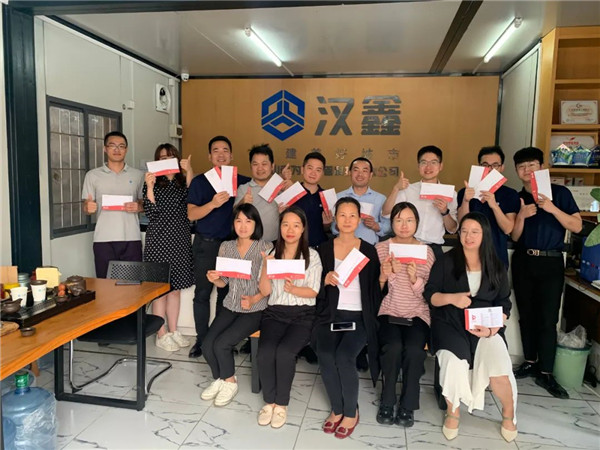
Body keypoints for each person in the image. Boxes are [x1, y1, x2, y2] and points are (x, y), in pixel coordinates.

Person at [424, 212, 518, 443]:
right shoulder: (446, 261)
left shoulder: (495, 264)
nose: (468, 236)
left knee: (499, 369)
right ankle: (453, 411)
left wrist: (492, 330)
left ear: (484, 234)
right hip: (450, 323)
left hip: (486, 326)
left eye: (475, 232)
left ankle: (509, 413)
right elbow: (430, 295)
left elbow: (504, 303)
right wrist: (452, 298)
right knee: (454, 363)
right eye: (464, 231)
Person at [510, 147, 582, 399]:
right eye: (522, 167)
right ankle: (530, 361)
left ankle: (547, 372)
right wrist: (521, 215)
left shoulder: (560, 194)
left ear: (542, 167)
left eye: (531, 165)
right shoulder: (517, 198)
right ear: (517, 171)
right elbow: (515, 236)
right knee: (526, 315)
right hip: (523, 260)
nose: (527, 170)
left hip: (551, 262)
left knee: (548, 318)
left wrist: (552, 209)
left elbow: (577, 225)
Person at [316, 197, 382, 439]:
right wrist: (323, 280)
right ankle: (337, 409)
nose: (347, 220)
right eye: (342, 215)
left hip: (359, 316)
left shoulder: (368, 250)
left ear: (359, 219)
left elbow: (376, 290)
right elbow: (313, 285)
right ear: (335, 218)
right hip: (331, 314)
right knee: (325, 355)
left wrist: (384, 278)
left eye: (352, 215)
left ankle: (351, 412)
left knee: (344, 357)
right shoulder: (324, 249)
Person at [256, 206, 322, 428]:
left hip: (302, 315)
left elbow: (313, 291)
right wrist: (266, 266)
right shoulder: (272, 254)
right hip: (275, 313)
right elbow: (265, 291)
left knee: (285, 353)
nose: (290, 230)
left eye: (296, 225)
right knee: (265, 352)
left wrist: (293, 289)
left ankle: (281, 404)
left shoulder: (312, 256)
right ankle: (269, 402)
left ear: (303, 229)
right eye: (285, 225)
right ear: (280, 228)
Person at [201, 203, 272, 406]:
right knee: (207, 345)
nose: (243, 226)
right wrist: (214, 278)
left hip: (255, 308)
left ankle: (230, 382)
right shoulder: (226, 247)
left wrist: (254, 298)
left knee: (222, 344)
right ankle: (221, 379)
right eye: (238, 220)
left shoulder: (266, 248)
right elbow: (223, 282)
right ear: (233, 224)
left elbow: (270, 287)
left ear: (256, 224)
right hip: (231, 304)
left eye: (248, 221)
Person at [187, 136, 251, 358]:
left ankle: (222, 340)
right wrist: (213, 204)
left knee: (227, 295)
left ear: (231, 155)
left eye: (225, 150)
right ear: (209, 156)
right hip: (206, 245)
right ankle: (202, 340)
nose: (221, 154)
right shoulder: (200, 182)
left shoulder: (242, 181)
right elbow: (191, 214)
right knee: (202, 294)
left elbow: (263, 186)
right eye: (216, 150)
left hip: (232, 248)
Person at [375, 202, 434, 427]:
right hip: (389, 309)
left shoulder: (426, 252)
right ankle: (387, 400)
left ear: (417, 223)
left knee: (414, 350)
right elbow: (373, 291)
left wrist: (414, 279)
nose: (404, 225)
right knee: (392, 348)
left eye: (409, 220)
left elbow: (431, 291)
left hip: (417, 312)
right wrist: (384, 276)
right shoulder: (381, 249)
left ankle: (408, 405)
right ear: (391, 223)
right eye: (399, 220)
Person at [143, 143, 194, 352]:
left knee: (175, 290)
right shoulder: (152, 181)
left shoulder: (182, 182)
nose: (166, 161)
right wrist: (150, 187)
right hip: (158, 240)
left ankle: (173, 330)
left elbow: (193, 203)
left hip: (180, 240)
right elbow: (150, 212)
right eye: (162, 158)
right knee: (160, 290)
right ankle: (161, 333)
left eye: (170, 157)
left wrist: (189, 172)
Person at [82, 131, 144, 278]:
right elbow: (86, 206)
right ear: (105, 149)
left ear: (126, 150)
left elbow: (144, 203)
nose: (117, 149)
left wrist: (139, 206)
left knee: (132, 285)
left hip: (131, 238)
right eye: (112, 146)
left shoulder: (138, 175)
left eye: (121, 146)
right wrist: (88, 207)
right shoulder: (92, 175)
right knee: (105, 284)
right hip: (103, 239)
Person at [382, 145, 458, 260]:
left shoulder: (450, 194)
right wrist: (396, 189)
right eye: (424, 162)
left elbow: (452, 229)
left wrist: (444, 212)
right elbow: (386, 213)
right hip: (408, 245)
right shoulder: (408, 189)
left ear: (441, 166)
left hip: (434, 247)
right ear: (418, 166)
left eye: (433, 162)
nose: (428, 167)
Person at [457, 146, 520, 267]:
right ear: (479, 166)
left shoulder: (510, 194)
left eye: (495, 165)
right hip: (467, 256)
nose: (490, 169)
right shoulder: (465, 192)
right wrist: (465, 201)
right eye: (485, 165)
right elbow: (460, 223)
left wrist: (494, 205)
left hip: (496, 256)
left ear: (502, 168)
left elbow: (508, 228)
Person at [235, 144, 292, 243]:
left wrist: (290, 188)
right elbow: (234, 215)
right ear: (251, 166)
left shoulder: (281, 186)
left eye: (264, 164)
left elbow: (293, 216)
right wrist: (242, 203)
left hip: (275, 242)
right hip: (249, 243)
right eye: (255, 164)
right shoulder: (243, 189)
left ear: (272, 166)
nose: (260, 168)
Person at [334, 157, 389, 246]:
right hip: (342, 247)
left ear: (370, 175)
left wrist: (376, 226)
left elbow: (388, 226)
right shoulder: (338, 197)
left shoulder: (380, 198)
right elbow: (333, 227)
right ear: (350, 173)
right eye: (356, 170)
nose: (360, 174)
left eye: (364, 171)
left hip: (370, 247)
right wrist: (339, 225)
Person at [294, 152, 332, 248]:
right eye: (310, 168)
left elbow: (328, 229)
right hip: (295, 247)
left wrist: (327, 224)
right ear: (302, 169)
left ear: (322, 173)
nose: (313, 173)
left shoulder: (327, 197)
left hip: (319, 247)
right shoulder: (292, 193)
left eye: (318, 170)